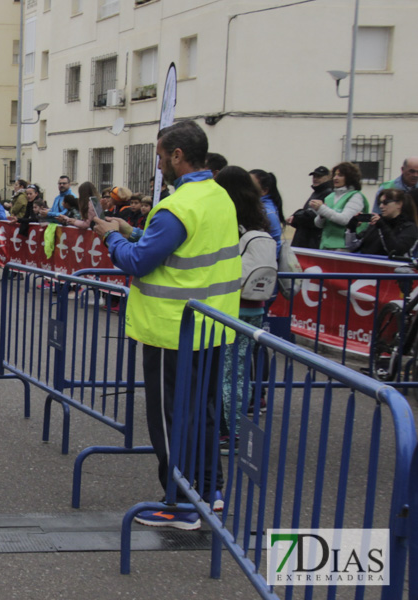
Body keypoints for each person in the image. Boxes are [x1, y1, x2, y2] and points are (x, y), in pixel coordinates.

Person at [93, 120, 238, 531]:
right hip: (212, 327)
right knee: (205, 415)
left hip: (171, 330)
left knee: (171, 419)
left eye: (160, 156)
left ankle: (180, 503)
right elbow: (180, 247)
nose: (158, 165)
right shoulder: (218, 196)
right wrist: (132, 230)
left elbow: (139, 262)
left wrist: (110, 237)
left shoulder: (177, 205)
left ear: (177, 156)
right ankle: (210, 492)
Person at [214, 165, 276, 456]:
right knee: (241, 370)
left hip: (232, 304)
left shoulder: (228, 218)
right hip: (256, 305)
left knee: (228, 372)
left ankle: (230, 432)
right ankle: (236, 427)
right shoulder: (259, 218)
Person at [310, 162, 368, 251]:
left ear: (349, 178)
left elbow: (345, 219)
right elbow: (319, 225)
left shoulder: (355, 196)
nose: (335, 178)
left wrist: (322, 209)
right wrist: (321, 215)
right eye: (335, 175)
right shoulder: (330, 197)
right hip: (325, 245)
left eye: (340, 175)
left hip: (344, 247)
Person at [349, 189, 418, 259]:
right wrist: (352, 228)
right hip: (368, 265)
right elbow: (352, 247)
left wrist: (382, 226)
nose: (381, 206)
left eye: (385, 202)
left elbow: (396, 251)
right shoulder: (377, 223)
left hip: (393, 268)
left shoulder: (409, 227)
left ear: (399, 204)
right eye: (380, 203)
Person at [288, 166, 333, 249]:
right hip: (304, 238)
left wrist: (297, 216)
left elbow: (311, 216)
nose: (315, 179)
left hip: (312, 240)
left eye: (319, 176)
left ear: (328, 178)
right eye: (314, 176)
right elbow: (306, 212)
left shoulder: (328, 193)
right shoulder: (316, 192)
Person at [248, 170, 285, 249]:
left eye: (250, 185)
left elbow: (275, 243)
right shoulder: (257, 207)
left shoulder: (266, 212)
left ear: (264, 191)